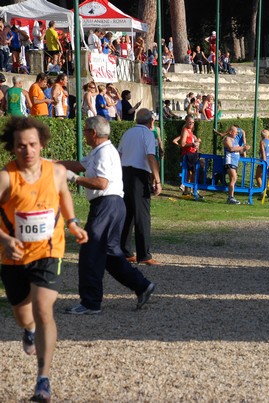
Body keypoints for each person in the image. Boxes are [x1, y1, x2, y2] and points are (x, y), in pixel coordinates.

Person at [0, 117, 88, 402]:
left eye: (33, 145)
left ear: (42, 144)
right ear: (13, 148)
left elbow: (63, 195)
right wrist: (4, 239)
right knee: (24, 316)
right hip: (13, 255)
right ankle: (29, 331)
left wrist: (72, 222)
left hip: (49, 251)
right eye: (21, 146)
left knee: (42, 308)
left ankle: (43, 380)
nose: (28, 151)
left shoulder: (57, 172)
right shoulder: (5, 178)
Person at [58, 117, 155, 314]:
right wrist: (55, 164)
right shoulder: (100, 151)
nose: (83, 133)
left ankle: (90, 303)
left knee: (90, 251)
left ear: (93, 133)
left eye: (85, 130)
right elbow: (80, 164)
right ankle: (142, 285)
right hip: (114, 205)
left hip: (106, 204)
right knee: (111, 254)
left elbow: (101, 183)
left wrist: (73, 178)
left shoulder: (103, 153)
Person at [118, 109, 162, 265]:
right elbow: (150, 157)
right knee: (142, 216)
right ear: (151, 121)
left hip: (124, 173)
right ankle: (144, 255)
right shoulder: (148, 134)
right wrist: (157, 180)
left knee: (127, 214)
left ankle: (125, 251)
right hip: (139, 176)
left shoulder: (127, 133)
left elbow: (120, 154)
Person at [172, 115, 200, 195]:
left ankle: (187, 190)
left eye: (193, 122)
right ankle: (192, 189)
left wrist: (196, 144)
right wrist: (192, 144)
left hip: (192, 153)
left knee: (190, 173)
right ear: (186, 122)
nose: (191, 124)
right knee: (192, 172)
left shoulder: (191, 132)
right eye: (190, 122)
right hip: (188, 154)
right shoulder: (185, 131)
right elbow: (183, 144)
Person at [223, 125, 251, 204]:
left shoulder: (235, 140)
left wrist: (245, 148)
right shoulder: (227, 139)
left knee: (234, 179)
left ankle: (231, 197)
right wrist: (242, 148)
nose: (237, 134)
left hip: (235, 161)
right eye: (236, 132)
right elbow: (231, 149)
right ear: (231, 132)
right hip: (230, 161)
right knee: (234, 178)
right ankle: (230, 197)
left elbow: (239, 151)